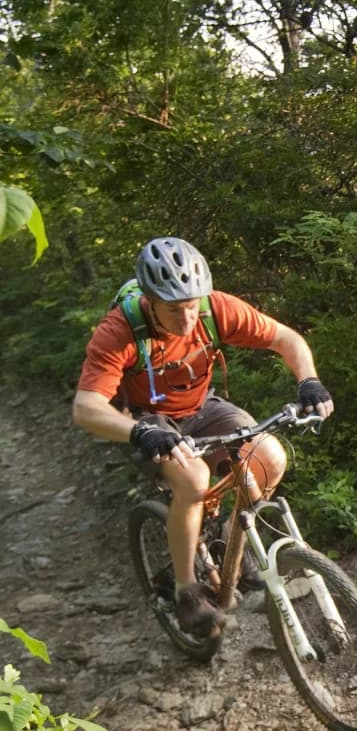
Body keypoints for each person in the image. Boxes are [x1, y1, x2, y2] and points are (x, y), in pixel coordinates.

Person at [73, 236, 333, 636]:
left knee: (270, 458)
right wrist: (140, 432)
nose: (187, 318)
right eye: (174, 309)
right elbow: (86, 407)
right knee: (194, 480)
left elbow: (286, 339)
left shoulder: (215, 309)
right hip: (149, 420)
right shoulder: (120, 331)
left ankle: (230, 543)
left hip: (201, 407)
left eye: (192, 305)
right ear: (150, 301)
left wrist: (309, 381)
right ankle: (186, 591)